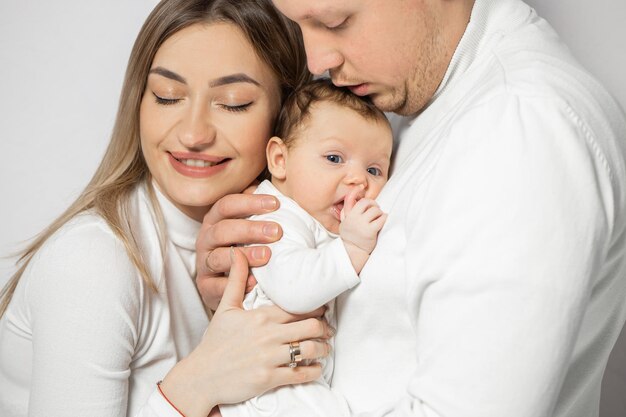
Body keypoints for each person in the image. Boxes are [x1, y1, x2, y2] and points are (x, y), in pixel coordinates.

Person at [198, 0, 626, 415]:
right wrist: (250, 292)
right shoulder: (413, 92)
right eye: (299, 25)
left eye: (335, 21)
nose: (316, 61)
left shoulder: (521, 128)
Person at [0, 1, 335, 416]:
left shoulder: (291, 243)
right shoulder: (91, 262)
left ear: (285, 118)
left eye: (232, 103)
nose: (193, 133)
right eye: (167, 96)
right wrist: (195, 385)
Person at [220, 79, 392, 417]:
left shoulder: (314, 219)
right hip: (267, 391)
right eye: (334, 158)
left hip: (293, 380)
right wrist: (352, 247)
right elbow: (294, 288)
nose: (358, 179)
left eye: (374, 169)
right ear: (280, 160)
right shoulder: (270, 215)